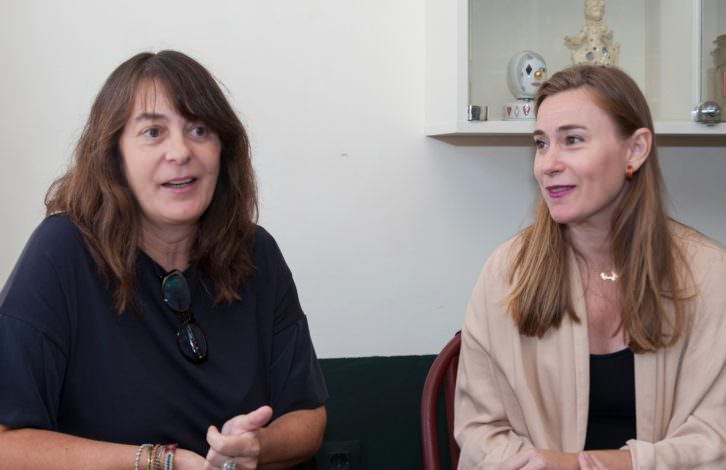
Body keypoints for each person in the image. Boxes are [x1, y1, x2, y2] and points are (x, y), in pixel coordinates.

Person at [0, 50, 327, 469]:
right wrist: (158, 462)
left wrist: (257, 447)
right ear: (114, 155)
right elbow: (8, 444)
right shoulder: (61, 250)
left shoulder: (256, 252)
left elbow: (308, 418)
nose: (180, 151)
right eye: (153, 132)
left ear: (221, 150)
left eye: (199, 129)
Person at [454, 65, 726, 469]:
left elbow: (714, 436)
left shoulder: (707, 274)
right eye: (542, 143)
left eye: (573, 140)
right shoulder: (506, 273)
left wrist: (579, 466)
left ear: (635, 149)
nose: (547, 164)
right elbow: (479, 429)